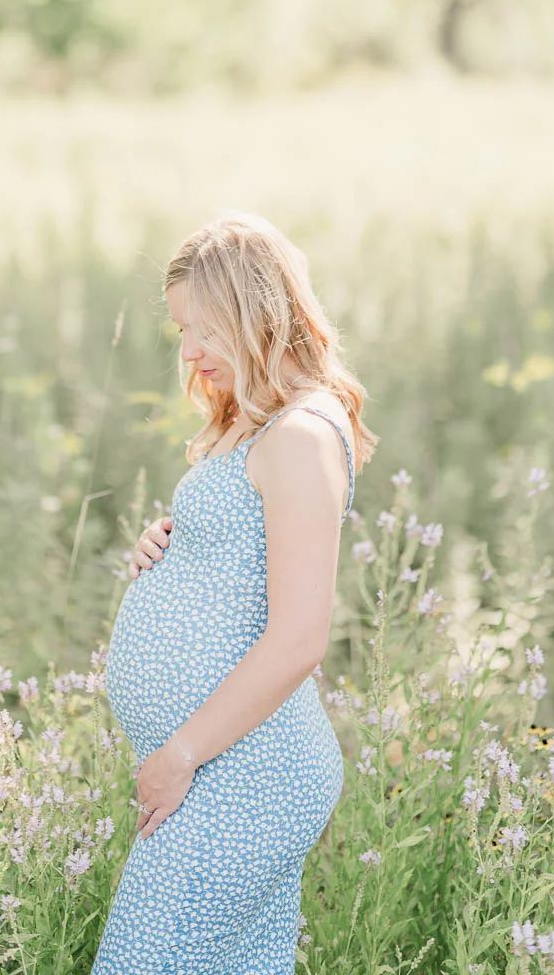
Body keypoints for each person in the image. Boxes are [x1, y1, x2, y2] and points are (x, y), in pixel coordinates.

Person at [92, 211, 378, 975]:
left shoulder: (302, 436)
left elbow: (298, 639)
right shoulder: (261, 427)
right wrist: (170, 545)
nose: (188, 352)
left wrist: (179, 753)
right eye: (182, 330)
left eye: (206, 330)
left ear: (260, 315)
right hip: (228, 769)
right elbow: (242, 551)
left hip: (245, 775)